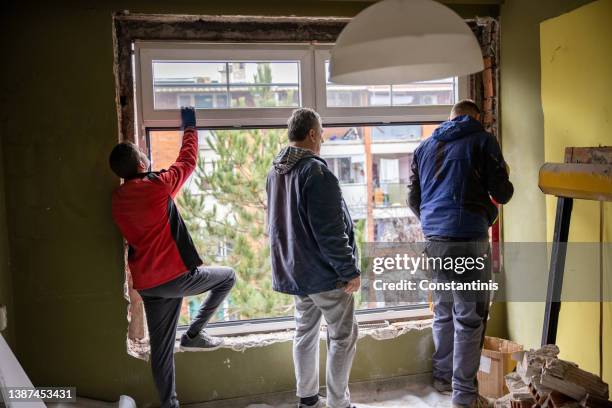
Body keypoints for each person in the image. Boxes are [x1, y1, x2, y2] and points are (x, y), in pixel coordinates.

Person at [110, 107, 236, 408]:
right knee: (228, 277)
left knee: (162, 351)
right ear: (142, 162)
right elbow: (188, 161)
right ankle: (194, 334)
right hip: (176, 277)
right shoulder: (157, 186)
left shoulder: (117, 200)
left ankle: (169, 404)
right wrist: (190, 127)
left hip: (150, 285)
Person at [407, 100, 513, 408]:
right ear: (475, 117)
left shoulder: (424, 147)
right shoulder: (483, 140)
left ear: (451, 118)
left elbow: (413, 197)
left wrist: (433, 223)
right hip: (468, 238)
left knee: (443, 309)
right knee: (469, 317)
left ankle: (442, 378)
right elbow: (502, 193)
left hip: (435, 241)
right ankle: (464, 396)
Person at [266, 108, 360, 408]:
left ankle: (308, 400)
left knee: (305, 333)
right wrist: (349, 270)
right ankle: (338, 403)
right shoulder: (316, 173)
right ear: (312, 134)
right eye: (322, 132)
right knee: (343, 335)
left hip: (296, 272)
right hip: (323, 273)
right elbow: (330, 233)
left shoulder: (276, 171)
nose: (323, 138)